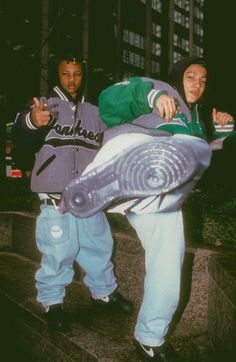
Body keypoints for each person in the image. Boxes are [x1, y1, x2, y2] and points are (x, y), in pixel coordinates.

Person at [61, 56, 216, 361]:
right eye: (191, 77)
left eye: (203, 80)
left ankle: (150, 337)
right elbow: (109, 100)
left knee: (169, 257)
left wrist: (224, 131)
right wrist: (153, 96)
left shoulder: (197, 121)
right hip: (136, 147)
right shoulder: (157, 88)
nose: (198, 84)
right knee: (132, 142)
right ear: (177, 78)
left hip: (160, 192)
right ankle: (100, 183)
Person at [11, 51, 133, 333]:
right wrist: (32, 119)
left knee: (99, 247)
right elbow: (21, 131)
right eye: (66, 73)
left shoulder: (95, 113)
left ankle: (104, 292)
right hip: (55, 199)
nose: (72, 80)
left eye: (77, 74)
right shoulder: (46, 106)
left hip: (89, 198)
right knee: (57, 252)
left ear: (83, 74)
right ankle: (53, 301)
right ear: (58, 74)